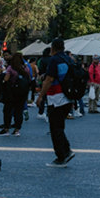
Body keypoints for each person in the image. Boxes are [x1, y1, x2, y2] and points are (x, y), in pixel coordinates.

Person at [35, 38, 75, 166]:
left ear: (52, 48)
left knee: (55, 128)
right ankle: (66, 150)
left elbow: (49, 79)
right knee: (59, 126)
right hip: (68, 96)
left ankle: (61, 156)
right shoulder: (68, 59)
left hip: (56, 97)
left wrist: (40, 96)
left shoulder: (54, 60)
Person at [0, 50, 30, 136]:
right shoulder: (25, 68)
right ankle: (17, 130)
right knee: (19, 111)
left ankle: (6, 129)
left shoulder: (11, 68)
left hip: (11, 93)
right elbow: (29, 79)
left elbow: (6, 79)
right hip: (22, 93)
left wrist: (3, 81)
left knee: (7, 110)